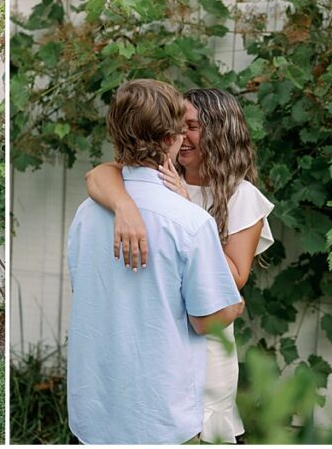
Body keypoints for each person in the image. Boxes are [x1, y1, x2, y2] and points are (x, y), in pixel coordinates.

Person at [84, 88, 274, 443]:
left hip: (205, 346)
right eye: (177, 126)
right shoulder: (157, 177)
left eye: (193, 127)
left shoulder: (242, 196)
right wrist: (124, 206)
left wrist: (190, 209)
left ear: (219, 131)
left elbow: (234, 279)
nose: (181, 137)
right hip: (158, 344)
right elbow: (96, 176)